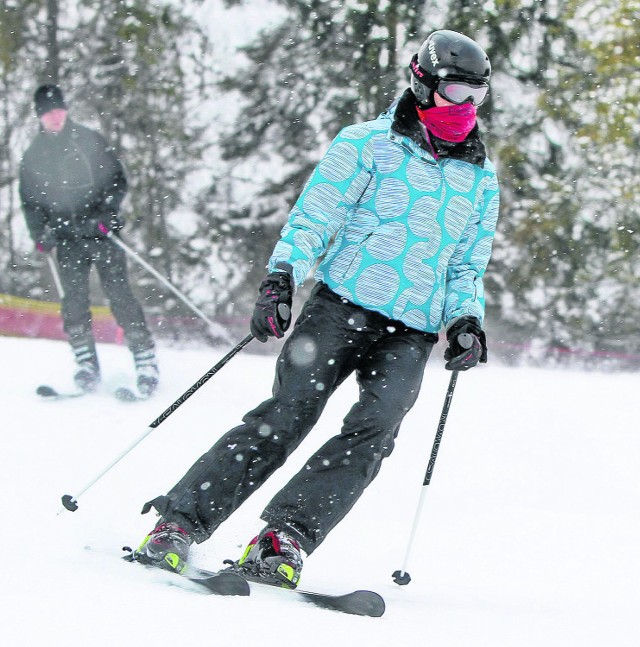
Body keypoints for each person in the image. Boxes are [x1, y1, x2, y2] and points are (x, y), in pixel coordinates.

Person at [131, 29, 500, 587]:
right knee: (288, 414)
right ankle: (179, 523)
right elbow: (315, 216)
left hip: (413, 329)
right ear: (422, 84)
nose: (467, 107)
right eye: (456, 91)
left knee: (378, 427)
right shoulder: (366, 144)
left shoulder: (479, 176)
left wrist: (466, 319)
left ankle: (285, 538)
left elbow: (467, 264)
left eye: (478, 94)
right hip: (341, 307)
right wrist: (281, 279)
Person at [19, 84, 159, 395]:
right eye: (47, 113)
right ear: (40, 117)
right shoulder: (33, 156)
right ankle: (86, 362)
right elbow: (30, 202)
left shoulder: (88, 140)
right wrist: (40, 233)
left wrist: (108, 213)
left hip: (99, 233)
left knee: (120, 295)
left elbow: (116, 180)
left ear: (65, 110)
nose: (54, 117)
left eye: (58, 110)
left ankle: (145, 359)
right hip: (66, 239)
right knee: (74, 302)